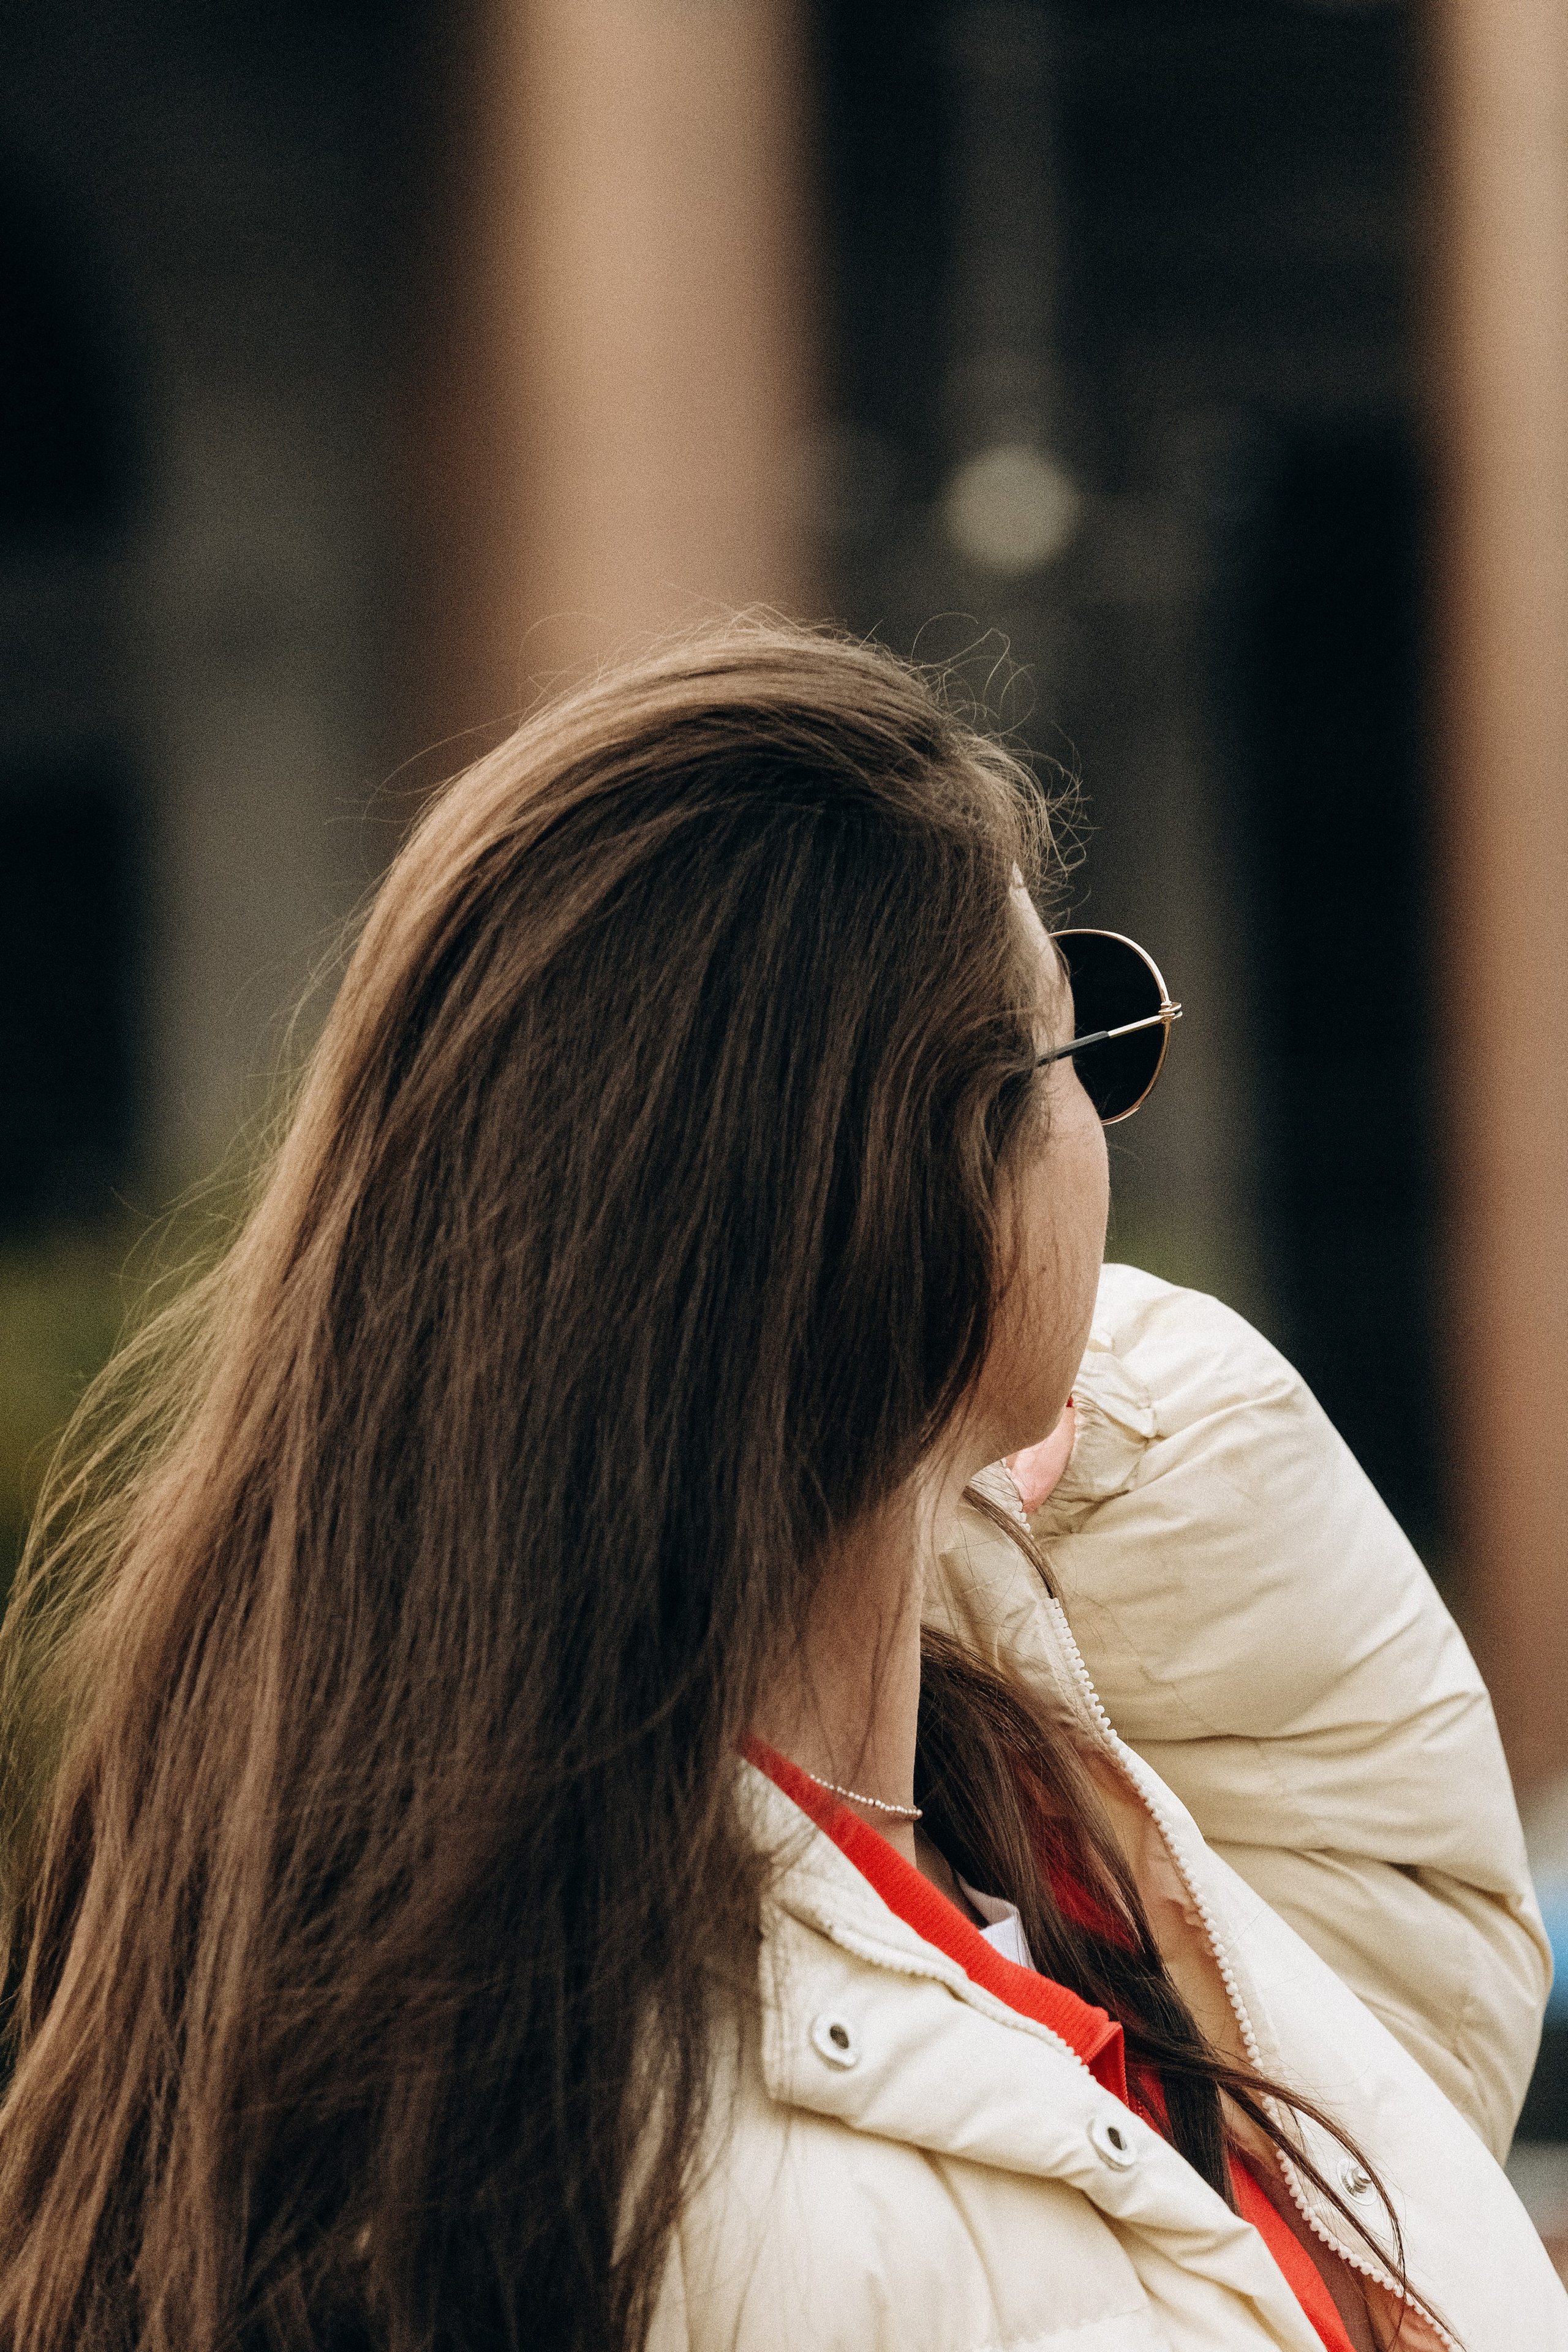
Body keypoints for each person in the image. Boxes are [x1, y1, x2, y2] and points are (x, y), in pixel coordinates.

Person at [0, 622, 1558, 2352]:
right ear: (926, 1195)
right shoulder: (704, 2193)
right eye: (1083, 1055)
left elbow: (1405, 2036)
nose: (1108, 1139)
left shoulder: (983, 1818)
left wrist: (1035, 1427)